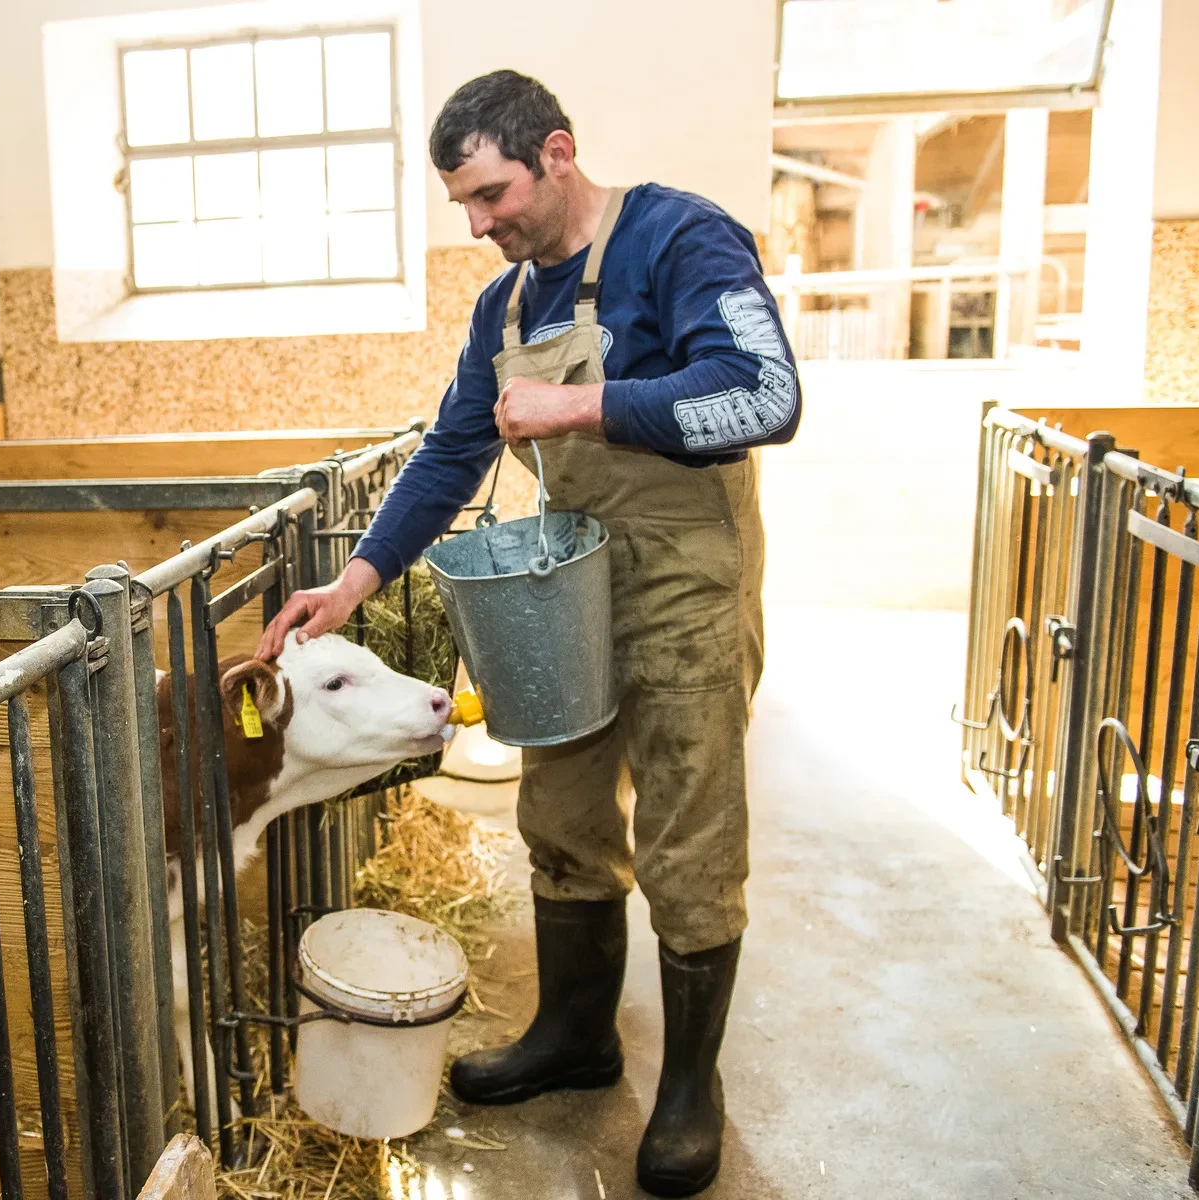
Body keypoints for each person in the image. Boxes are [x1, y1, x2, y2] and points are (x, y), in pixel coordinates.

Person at [257, 70, 799, 1197]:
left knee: (689, 829)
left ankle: (691, 1089)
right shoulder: (504, 307)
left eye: (492, 194)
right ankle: (574, 1035)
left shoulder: (681, 237)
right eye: (462, 203)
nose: (479, 223)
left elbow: (766, 397)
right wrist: (353, 586)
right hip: (569, 581)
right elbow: (452, 452)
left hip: (685, 579)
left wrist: (587, 404)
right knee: (559, 805)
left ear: (556, 152)